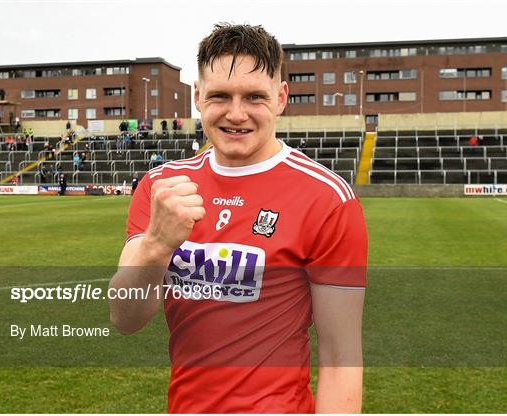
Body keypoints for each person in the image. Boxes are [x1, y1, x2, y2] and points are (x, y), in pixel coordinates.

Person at [109, 24, 367, 414]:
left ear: (280, 98)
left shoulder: (327, 198)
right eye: (219, 96)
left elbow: (340, 355)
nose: (236, 114)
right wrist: (156, 245)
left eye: (254, 97)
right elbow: (124, 317)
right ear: (197, 97)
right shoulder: (161, 187)